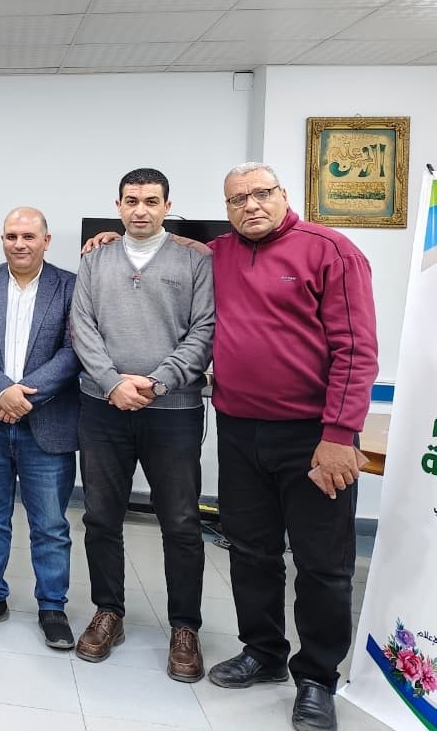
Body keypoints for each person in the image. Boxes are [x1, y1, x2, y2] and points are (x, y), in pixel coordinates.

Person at [205, 163, 378, 731]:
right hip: (238, 430)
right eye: (237, 199)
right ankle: (263, 652)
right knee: (249, 550)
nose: (251, 206)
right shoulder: (220, 253)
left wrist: (339, 435)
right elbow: (173, 246)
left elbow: (356, 350)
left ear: (284, 195)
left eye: (262, 194)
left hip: (313, 436)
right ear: (227, 209)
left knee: (323, 564)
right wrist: (111, 236)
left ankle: (317, 678)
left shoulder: (331, 251)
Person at [69, 168, 214, 682]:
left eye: (151, 201)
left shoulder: (195, 260)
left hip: (173, 412)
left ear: (167, 206)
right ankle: (108, 612)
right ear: (118, 205)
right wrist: (112, 383)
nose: (140, 210)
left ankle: (185, 627)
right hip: (102, 408)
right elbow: (82, 326)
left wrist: (157, 382)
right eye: (131, 201)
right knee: (101, 518)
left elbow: (204, 330)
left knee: (181, 522)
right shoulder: (95, 259)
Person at [0, 207, 81, 647]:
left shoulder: (69, 286)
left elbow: (73, 351)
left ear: (46, 240)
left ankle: (52, 607)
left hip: (47, 422)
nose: (19, 244)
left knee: (51, 525)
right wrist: (2, 392)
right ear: (2, 240)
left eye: (28, 236)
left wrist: (21, 397)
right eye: (11, 236)